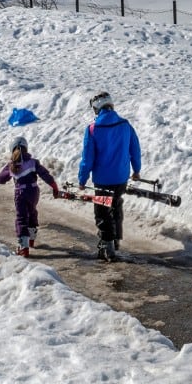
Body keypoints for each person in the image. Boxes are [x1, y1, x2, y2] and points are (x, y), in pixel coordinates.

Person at [78, 92, 141, 262]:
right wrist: (136, 170)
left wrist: (82, 180)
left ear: (96, 108)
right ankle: (116, 239)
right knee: (116, 205)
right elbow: (135, 149)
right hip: (121, 177)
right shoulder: (125, 124)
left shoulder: (92, 129)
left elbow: (87, 158)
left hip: (102, 180)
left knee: (102, 211)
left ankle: (107, 245)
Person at [0, 135, 58, 256]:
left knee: (21, 218)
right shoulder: (33, 163)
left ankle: (24, 247)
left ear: (12, 150)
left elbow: (1, 178)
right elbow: (45, 175)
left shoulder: (11, 165)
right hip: (34, 192)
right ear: (26, 149)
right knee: (32, 212)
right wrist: (54, 186)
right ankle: (32, 238)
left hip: (20, 194)